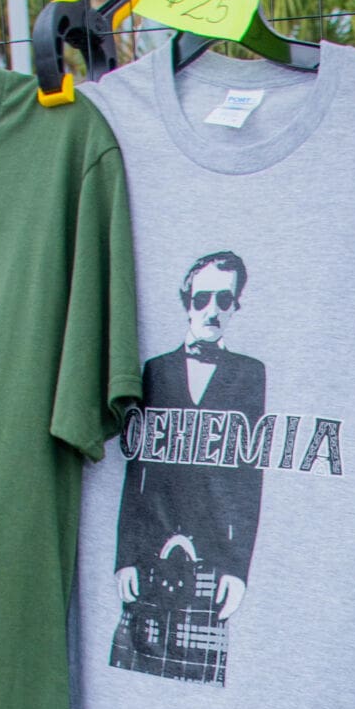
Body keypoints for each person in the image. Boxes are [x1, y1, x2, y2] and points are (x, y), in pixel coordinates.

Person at [110, 250, 269, 683]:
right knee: (133, 669)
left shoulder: (250, 374)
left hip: (212, 559)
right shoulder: (155, 370)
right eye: (202, 299)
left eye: (224, 299)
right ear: (187, 302)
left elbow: (248, 479)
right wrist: (126, 556)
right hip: (150, 555)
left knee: (200, 670)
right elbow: (136, 470)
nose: (212, 310)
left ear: (236, 305)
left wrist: (237, 568)